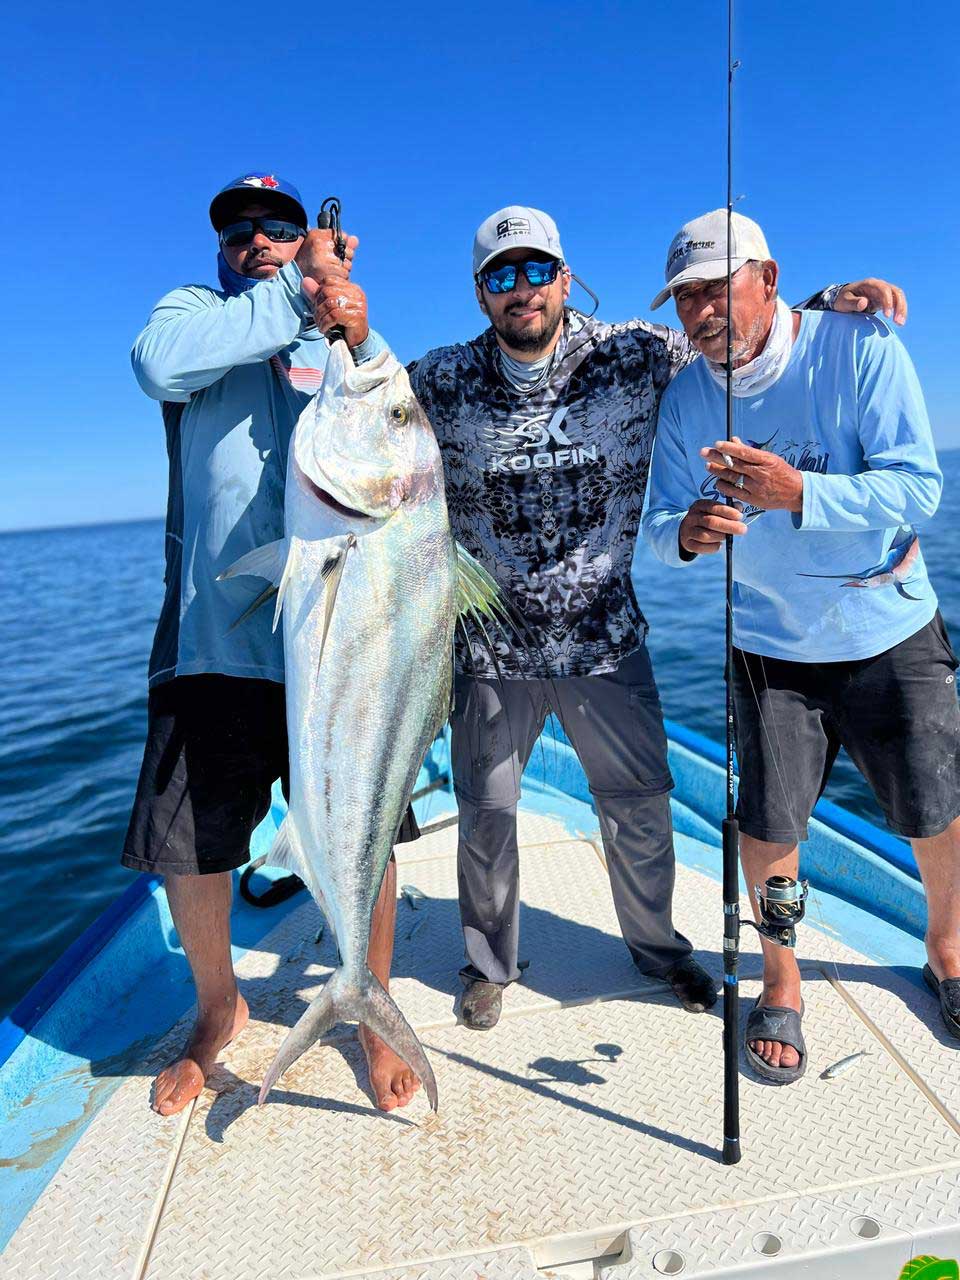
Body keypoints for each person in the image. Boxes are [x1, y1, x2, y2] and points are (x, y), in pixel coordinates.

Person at [407, 204, 899, 1030]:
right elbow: (355, 401)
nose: (520, 289)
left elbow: (735, 332)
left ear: (564, 278)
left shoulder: (635, 353)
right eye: (501, 276)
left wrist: (825, 305)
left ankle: (659, 951)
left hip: (607, 639)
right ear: (481, 293)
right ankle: (490, 962)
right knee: (486, 817)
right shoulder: (442, 379)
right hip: (490, 651)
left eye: (535, 271)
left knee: (639, 808)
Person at [123, 173, 421, 1115]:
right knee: (191, 847)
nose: (258, 237)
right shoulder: (196, 317)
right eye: (240, 229)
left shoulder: (340, 341)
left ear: (308, 236)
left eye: (281, 227)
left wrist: (354, 331)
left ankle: (369, 1006)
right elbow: (155, 364)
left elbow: (402, 454)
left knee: (364, 828)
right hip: (215, 638)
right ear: (222, 248)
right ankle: (219, 1008)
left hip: (338, 642)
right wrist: (295, 290)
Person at [643, 208, 959, 1082]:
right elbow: (661, 521)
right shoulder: (687, 394)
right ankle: (781, 981)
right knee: (770, 821)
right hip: (769, 646)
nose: (701, 312)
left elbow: (919, 489)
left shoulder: (859, 346)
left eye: (717, 289)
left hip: (886, 625)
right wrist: (690, 530)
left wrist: (800, 493)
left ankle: (949, 948)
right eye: (685, 299)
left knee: (932, 804)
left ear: (769, 280)